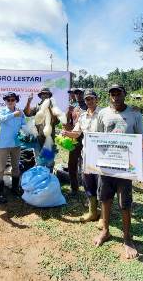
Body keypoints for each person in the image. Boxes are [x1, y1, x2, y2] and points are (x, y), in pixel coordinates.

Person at [93, 84, 143, 259]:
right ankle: (106, 231)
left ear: (124, 94)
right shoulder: (102, 114)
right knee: (105, 198)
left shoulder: (134, 114)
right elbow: (97, 138)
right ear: (109, 96)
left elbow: (141, 140)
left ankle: (127, 238)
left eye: (118, 93)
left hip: (126, 165)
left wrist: (140, 167)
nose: (115, 96)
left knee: (125, 203)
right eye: (112, 94)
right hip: (106, 164)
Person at [62, 89, 101, 222]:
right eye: (87, 99)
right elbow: (76, 132)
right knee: (88, 182)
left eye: (91, 98)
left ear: (97, 99)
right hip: (87, 154)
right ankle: (93, 212)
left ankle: (104, 215)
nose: (89, 101)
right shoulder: (83, 116)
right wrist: (66, 133)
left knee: (102, 184)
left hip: (101, 155)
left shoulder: (103, 114)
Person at [0, 92, 26, 203]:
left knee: (16, 167)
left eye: (12, 99)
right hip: (4, 144)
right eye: (8, 100)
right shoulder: (1, 110)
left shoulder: (21, 112)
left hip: (16, 144)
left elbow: (24, 125)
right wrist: (13, 114)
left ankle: (15, 189)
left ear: (16, 100)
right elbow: (1, 119)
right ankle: (0, 192)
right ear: (5, 101)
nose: (10, 101)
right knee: (0, 169)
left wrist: (26, 133)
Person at [23, 87, 59, 169]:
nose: (45, 95)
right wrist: (29, 101)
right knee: (39, 162)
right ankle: (40, 180)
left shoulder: (54, 107)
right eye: (43, 94)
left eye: (47, 94)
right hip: (38, 139)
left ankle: (49, 179)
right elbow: (27, 113)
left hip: (49, 140)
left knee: (49, 162)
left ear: (49, 96)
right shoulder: (37, 106)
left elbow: (56, 121)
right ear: (40, 96)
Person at [64, 88, 87, 195]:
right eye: (76, 93)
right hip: (75, 138)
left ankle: (89, 190)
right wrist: (68, 112)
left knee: (86, 164)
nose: (77, 95)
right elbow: (67, 124)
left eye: (80, 93)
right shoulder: (73, 107)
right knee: (72, 163)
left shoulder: (89, 105)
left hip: (87, 139)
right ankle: (74, 188)